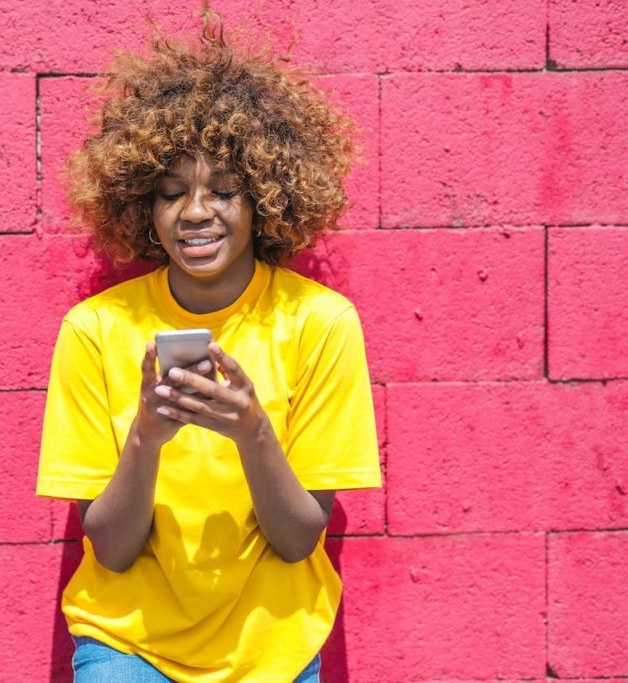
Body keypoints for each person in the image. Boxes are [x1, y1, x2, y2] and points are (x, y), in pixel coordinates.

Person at [36, 21, 381, 683]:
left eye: (223, 190)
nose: (196, 212)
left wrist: (252, 430)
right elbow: (110, 549)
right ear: (144, 206)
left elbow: (297, 538)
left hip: (269, 648)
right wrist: (145, 436)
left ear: (264, 198)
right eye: (171, 193)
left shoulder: (319, 322)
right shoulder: (94, 329)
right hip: (127, 642)